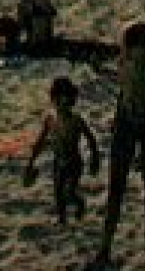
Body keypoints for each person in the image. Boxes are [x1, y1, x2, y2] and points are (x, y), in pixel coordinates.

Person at [87, 22, 145, 271]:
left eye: (136, 48)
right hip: (125, 124)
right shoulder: (126, 64)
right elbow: (123, 92)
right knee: (116, 186)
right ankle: (105, 246)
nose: (134, 52)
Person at [23, 76, 101, 226]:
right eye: (58, 100)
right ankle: (62, 220)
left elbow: (91, 139)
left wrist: (94, 159)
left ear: (72, 101)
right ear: (54, 100)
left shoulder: (76, 120)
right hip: (58, 162)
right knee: (58, 193)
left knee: (69, 192)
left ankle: (80, 203)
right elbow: (40, 142)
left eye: (65, 100)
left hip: (74, 162)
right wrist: (31, 162)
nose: (61, 105)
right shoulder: (50, 121)